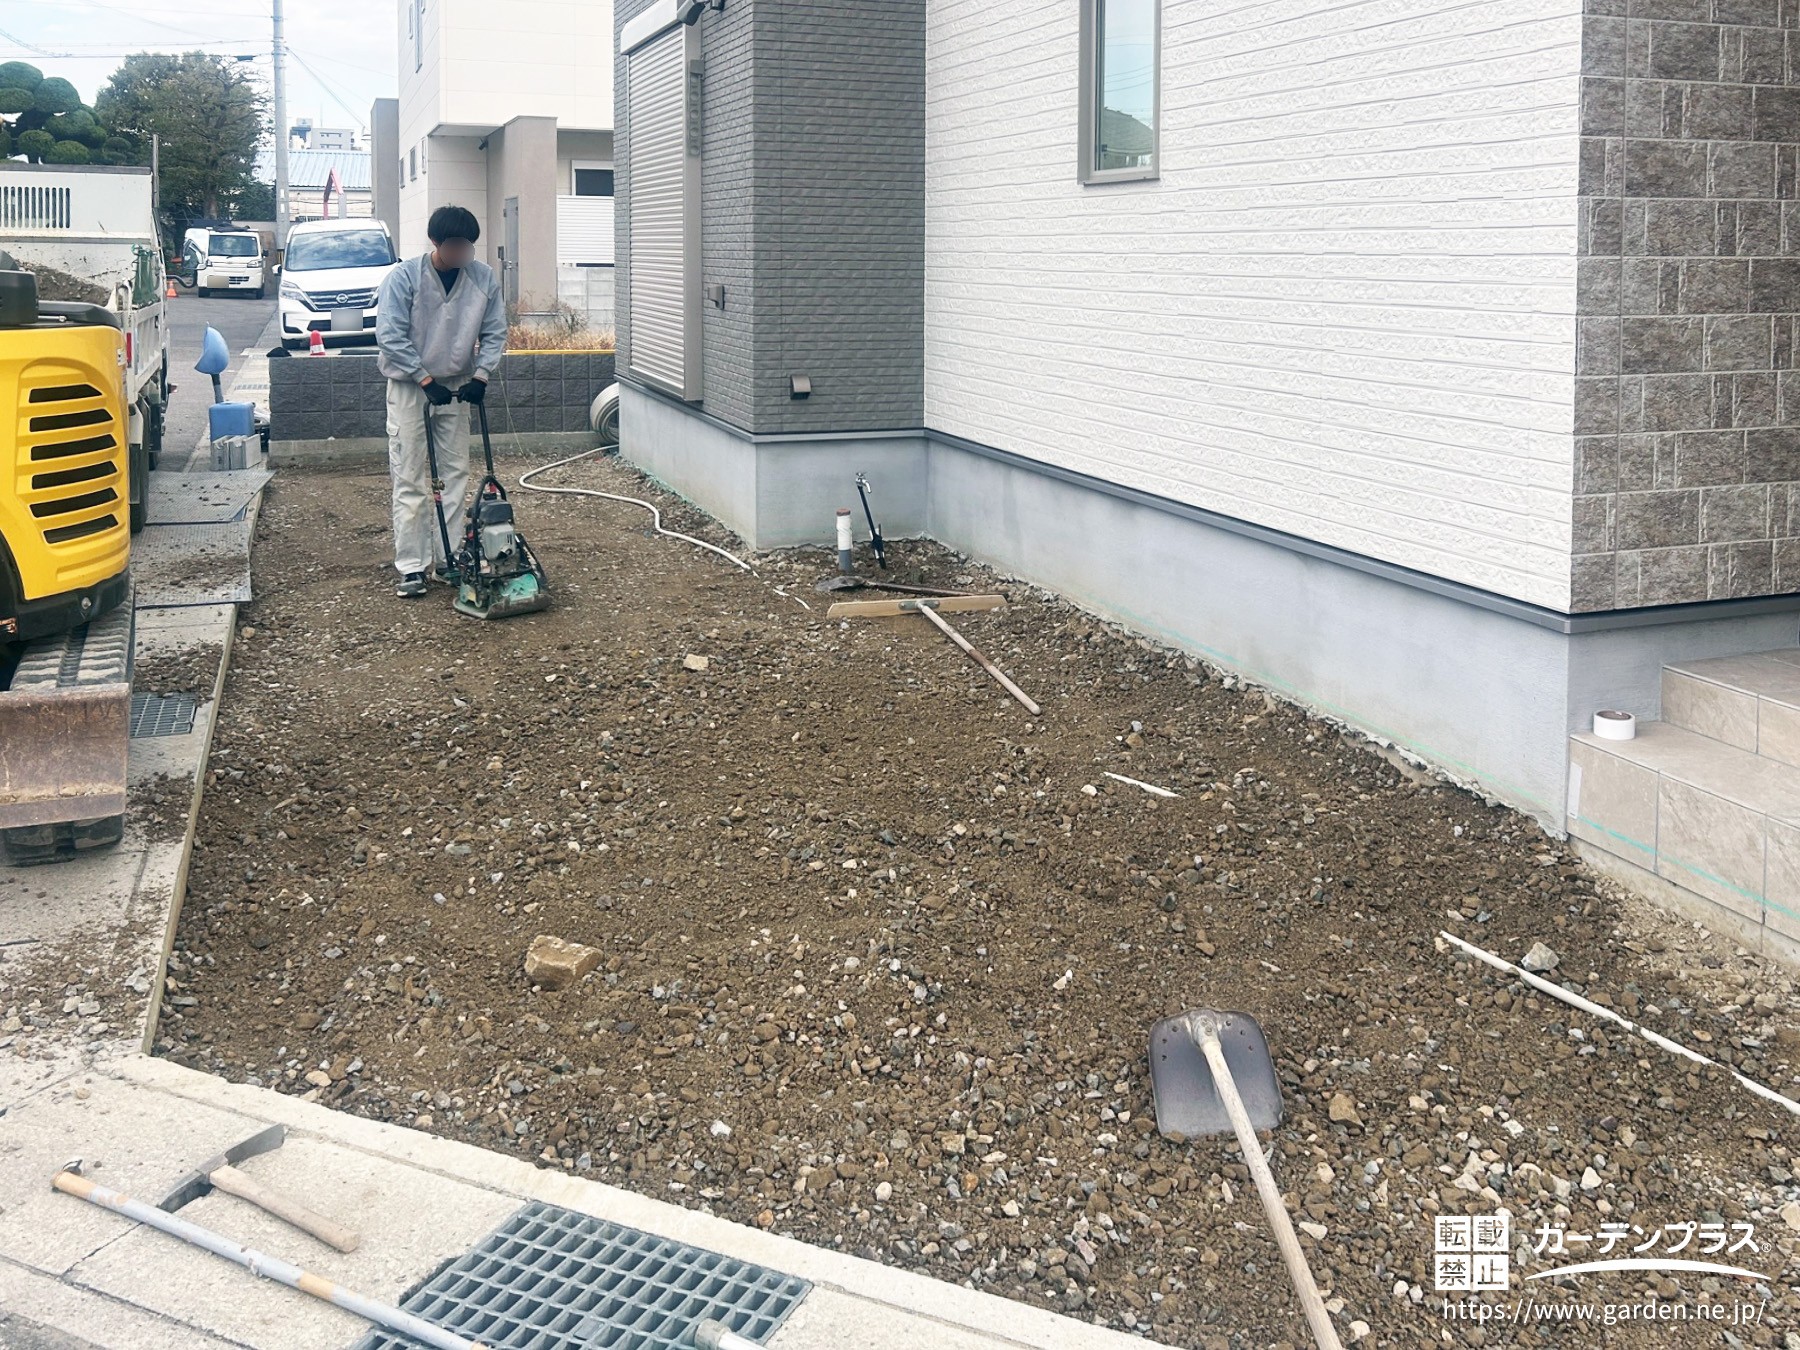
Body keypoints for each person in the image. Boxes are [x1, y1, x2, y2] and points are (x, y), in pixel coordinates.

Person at [375, 204, 507, 598]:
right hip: (410, 386)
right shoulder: (404, 278)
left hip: (458, 384)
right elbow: (390, 334)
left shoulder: (482, 278)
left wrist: (481, 376)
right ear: (436, 242)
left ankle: (448, 557)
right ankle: (412, 566)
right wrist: (423, 377)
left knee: (454, 474)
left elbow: (495, 331)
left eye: (468, 245)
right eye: (456, 244)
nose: (463, 252)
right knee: (410, 475)